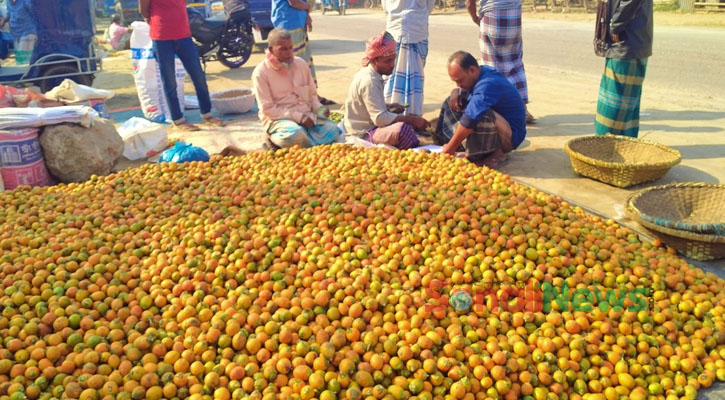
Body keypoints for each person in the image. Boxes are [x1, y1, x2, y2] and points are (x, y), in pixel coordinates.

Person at [139, 0, 224, 130]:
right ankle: (178, 120)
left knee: (198, 76)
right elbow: (144, 10)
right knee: (169, 81)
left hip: (184, 35)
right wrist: (155, 22)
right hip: (162, 37)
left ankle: (207, 114)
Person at [251, 28, 341, 148]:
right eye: (283, 49)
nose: (289, 53)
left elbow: (312, 96)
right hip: (279, 120)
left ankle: (305, 143)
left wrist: (319, 109)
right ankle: (274, 138)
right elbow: (268, 109)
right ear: (272, 50)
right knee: (295, 134)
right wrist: (298, 117)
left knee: (333, 130)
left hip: (308, 117)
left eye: (290, 48)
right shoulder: (261, 73)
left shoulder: (301, 64)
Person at [435, 51, 526, 168]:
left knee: (479, 113)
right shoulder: (480, 72)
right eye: (455, 82)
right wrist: (457, 91)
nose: (458, 85)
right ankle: (459, 145)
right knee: (453, 101)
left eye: (460, 80)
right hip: (495, 125)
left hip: (510, 135)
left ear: (472, 70)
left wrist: (451, 148)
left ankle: (496, 153)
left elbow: (470, 118)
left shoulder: (488, 83)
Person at [344, 32, 430, 150]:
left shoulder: (370, 74)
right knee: (403, 130)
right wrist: (412, 120)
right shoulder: (370, 81)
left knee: (404, 124)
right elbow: (380, 119)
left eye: (393, 60)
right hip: (363, 134)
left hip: (369, 127)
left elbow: (369, 106)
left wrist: (388, 106)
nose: (392, 65)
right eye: (387, 61)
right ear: (375, 61)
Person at [466, 0, 534, 124]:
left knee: (492, 66)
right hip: (514, 15)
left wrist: (475, 18)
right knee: (515, 63)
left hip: (492, 15)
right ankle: (522, 109)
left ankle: (500, 112)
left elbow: (470, 3)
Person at [593, 0, 653, 138]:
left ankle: (606, 145)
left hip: (627, 42)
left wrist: (616, 24)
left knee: (615, 102)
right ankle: (622, 145)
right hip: (630, 41)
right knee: (626, 104)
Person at [271, 0, 334, 105]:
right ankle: (302, 98)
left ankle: (312, 95)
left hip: (297, 25)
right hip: (290, 26)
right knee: (296, 65)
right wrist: (308, 7)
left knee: (304, 63)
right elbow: (294, 2)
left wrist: (307, 14)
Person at [382, 0, 436, 117]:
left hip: (395, 28)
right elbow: (429, 6)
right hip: (417, 28)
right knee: (415, 76)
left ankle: (390, 114)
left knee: (390, 74)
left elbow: (385, 6)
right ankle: (412, 114)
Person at [7, 0, 35, 65]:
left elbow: (35, 13)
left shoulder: (26, 1)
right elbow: (9, 14)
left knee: (24, 61)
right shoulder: (8, 2)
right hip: (15, 33)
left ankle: (28, 74)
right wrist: (3, 21)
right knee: (19, 60)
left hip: (28, 31)